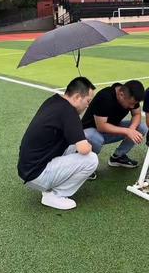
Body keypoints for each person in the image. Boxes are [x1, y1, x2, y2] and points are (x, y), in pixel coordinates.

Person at [17, 77, 98, 211]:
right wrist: (88, 145)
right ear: (78, 97)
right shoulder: (69, 113)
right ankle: (56, 195)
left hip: (27, 168)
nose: (88, 106)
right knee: (91, 159)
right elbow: (84, 149)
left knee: (73, 145)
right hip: (37, 174)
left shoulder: (53, 101)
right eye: (88, 101)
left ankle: (52, 186)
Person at [82, 80, 147, 171]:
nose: (132, 107)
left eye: (134, 104)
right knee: (96, 138)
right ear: (121, 95)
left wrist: (132, 129)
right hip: (91, 131)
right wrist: (127, 131)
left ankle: (117, 157)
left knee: (142, 127)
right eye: (130, 103)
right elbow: (101, 126)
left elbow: (137, 114)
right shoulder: (105, 97)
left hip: (112, 128)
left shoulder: (130, 95)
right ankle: (85, 166)